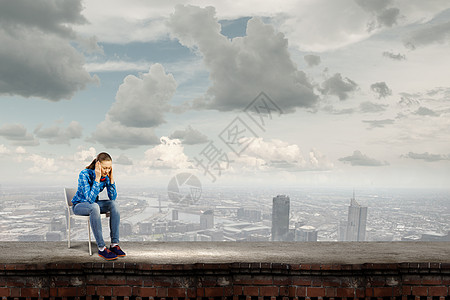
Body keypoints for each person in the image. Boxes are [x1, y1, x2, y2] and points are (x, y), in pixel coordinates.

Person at [71, 152, 126, 260]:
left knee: (114, 204)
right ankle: (101, 248)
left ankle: (114, 244)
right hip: (80, 206)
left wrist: (111, 179)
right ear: (98, 165)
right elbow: (90, 199)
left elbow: (112, 197)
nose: (106, 171)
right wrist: (97, 178)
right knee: (94, 206)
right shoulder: (84, 174)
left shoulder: (106, 176)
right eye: (104, 168)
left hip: (93, 206)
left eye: (109, 168)